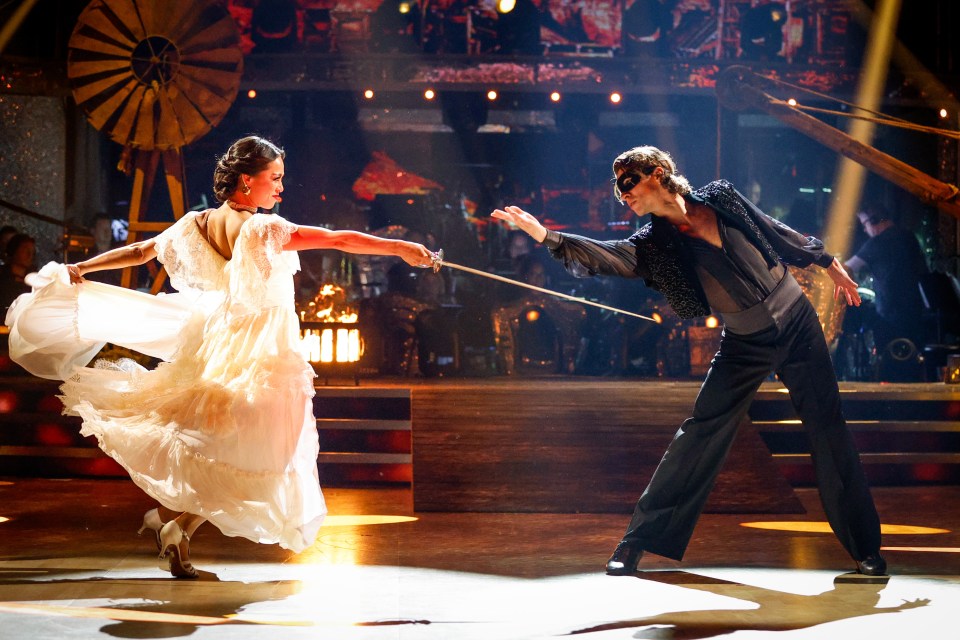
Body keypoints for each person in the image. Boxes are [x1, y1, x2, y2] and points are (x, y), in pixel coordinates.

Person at [5, 136, 433, 578]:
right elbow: (339, 239)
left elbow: (139, 252)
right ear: (247, 181)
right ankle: (178, 525)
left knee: (234, 451)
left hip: (221, 347)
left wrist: (81, 268)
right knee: (260, 455)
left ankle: (178, 525)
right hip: (263, 355)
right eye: (275, 179)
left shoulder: (195, 224)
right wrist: (400, 248)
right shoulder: (265, 229)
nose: (281, 189)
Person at [492, 145, 886, 577]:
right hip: (745, 341)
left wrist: (826, 260)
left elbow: (771, 228)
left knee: (827, 428)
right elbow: (609, 257)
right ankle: (637, 541)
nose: (624, 196)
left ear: (656, 174)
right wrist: (548, 237)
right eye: (618, 189)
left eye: (628, 183)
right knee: (699, 434)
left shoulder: (721, 197)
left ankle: (866, 549)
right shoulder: (656, 243)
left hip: (797, 322)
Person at [844, 203, 928, 362]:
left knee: (890, 361)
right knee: (912, 360)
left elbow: (846, 268)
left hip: (889, 313)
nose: (864, 230)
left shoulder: (877, 242)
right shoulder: (909, 236)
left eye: (864, 224)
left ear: (875, 220)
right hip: (915, 311)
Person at [0, 232, 36, 311]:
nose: (30, 254)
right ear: (14, 250)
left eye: (32, 251)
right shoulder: (2, 276)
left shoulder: (35, 281)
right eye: (25, 249)